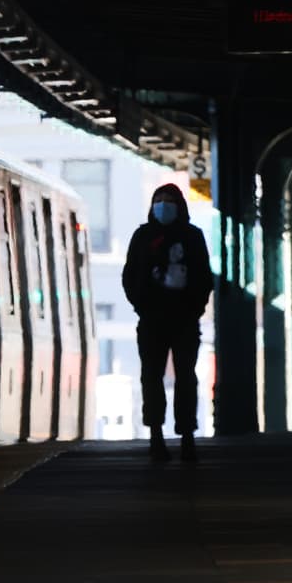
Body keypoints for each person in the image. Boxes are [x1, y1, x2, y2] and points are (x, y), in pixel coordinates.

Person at [121, 184, 213, 461]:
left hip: (184, 319)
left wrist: (194, 308)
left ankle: (186, 434)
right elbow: (130, 274)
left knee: (186, 376)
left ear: (180, 205)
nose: (163, 205)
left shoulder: (192, 237)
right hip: (152, 319)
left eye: (169, 200)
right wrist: (142, 304)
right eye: (158, 200)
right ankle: (156, 434)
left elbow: (204, 277)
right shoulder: (142, 236)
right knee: (152, 376)